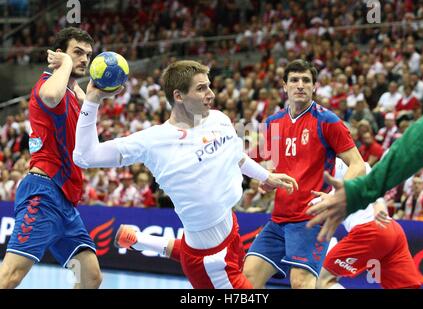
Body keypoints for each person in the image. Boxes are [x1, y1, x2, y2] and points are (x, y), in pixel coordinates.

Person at [73, 60, 298, 289]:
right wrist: (92, 101)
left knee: (194, 247)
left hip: (232, 231)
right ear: (179, 96)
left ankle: (140, 240)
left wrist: (265, 176)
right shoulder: (153, 141)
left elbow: (235, 156)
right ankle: (142, 241)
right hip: (210, 264)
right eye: (201, 88)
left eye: (209, 86)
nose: (210, 94)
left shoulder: (219, 119)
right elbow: (85, 156)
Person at [242, 59, 366, 289]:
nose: (300, 85)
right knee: (247, 279)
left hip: (311, 219)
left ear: (314, 86)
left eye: (306, 80)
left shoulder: (328, 121)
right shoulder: (273, 122)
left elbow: (357, 165)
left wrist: (335, 196)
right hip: (279, 218)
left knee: (300, 283)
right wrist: (267, 179)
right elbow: (261, 162)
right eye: (294, 80)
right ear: (284, 86)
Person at [0, 27, 103, 288]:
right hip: (43, 194)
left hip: (66, 203)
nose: (83, 59)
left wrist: (90, 99)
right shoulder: (47, 85)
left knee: (90, 277)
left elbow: (89, 145)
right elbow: (50, 95)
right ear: (59, 56)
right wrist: (65, 64)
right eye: (76, 53)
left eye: (87, 55)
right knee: (10, 276)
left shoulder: (72, 94)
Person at [307, 88, 423, 242]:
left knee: (326, 265)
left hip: (368, 230)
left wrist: (367, 199)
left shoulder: (344, 163)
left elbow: (417, 143)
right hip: (375, 229)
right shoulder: (316, 166)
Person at [315, 159, 421, 289]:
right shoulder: (355, 163)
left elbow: (364, 171)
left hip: (369, 231)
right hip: (391, 228)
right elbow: (372, 179)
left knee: (323, 281)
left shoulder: (335, 163)